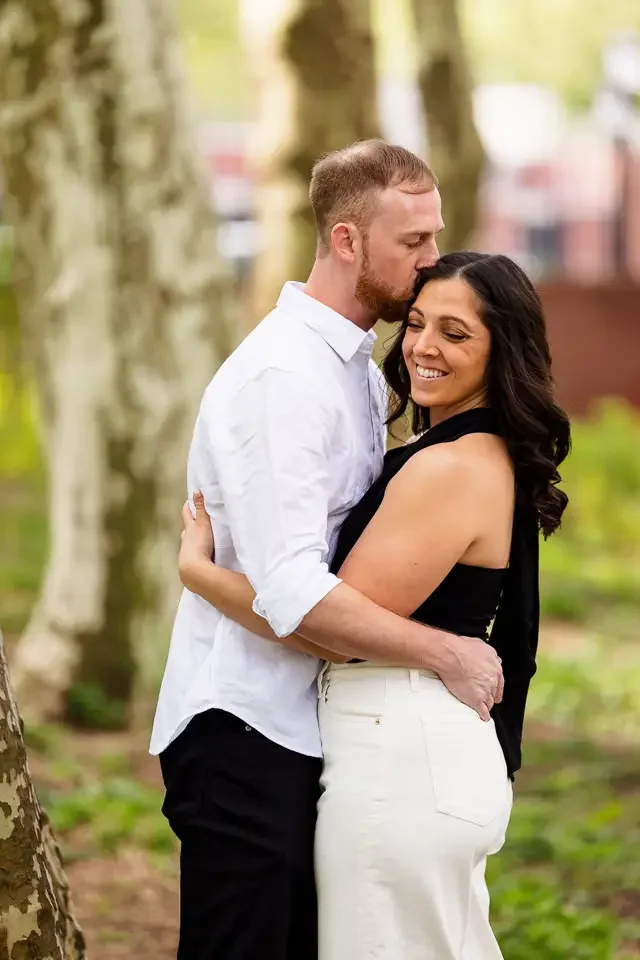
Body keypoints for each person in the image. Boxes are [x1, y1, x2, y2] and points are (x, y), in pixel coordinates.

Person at [150, 140, 504, 960]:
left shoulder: (355, 369)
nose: (432, 258)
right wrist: (445, 652)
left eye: (434, 236)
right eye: (412, 241)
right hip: (245, 728)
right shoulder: (285, 378)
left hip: (305, 729)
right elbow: (293, 593)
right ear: (346, 240)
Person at [178, 251, 571, 959]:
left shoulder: (449, 467)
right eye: (417, 324)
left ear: (502, 351)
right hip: (415, 750)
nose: (423, 346)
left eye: (456, 333)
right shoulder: (457, 450)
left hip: (401, 759)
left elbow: (327, 626)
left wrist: (201, 575)